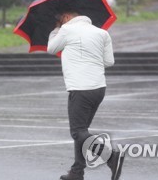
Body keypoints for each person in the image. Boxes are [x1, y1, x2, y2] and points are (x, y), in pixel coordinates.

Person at [47, 10, 124, 180]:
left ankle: (110, 156)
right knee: (82, 132)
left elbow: (51, 48)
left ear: (67, 16)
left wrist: (56, 30)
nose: (60, 22)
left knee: (77, 132)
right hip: (98, 88)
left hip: (80, 88)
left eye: (60, 19)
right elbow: (109, 62)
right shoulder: (102, 32)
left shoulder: (66, 30)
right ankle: (77, 172)